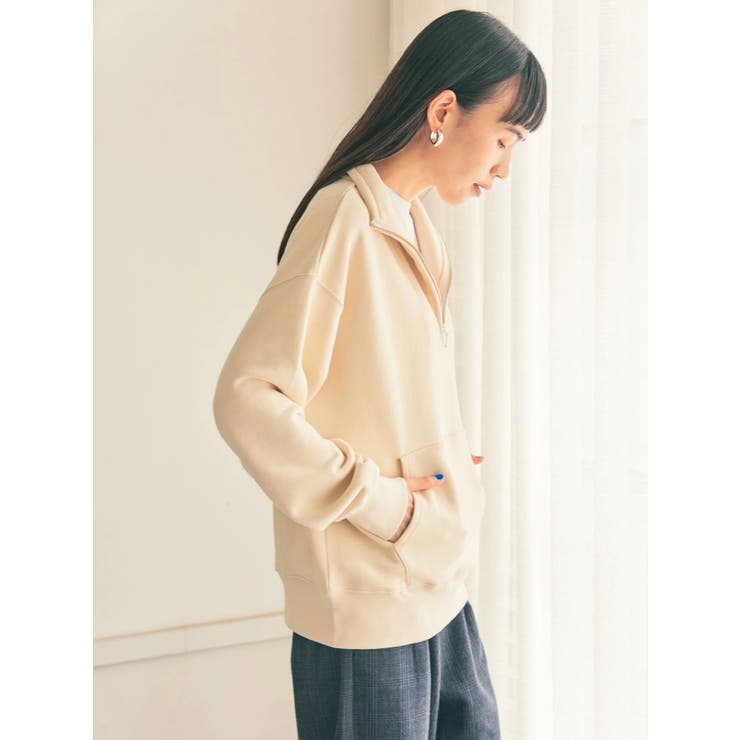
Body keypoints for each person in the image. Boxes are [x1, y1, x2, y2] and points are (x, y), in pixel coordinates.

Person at [212, 8, 546, 739]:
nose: (504, 169)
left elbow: (388, 393)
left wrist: (439, 461)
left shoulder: (418, 230)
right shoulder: (345, 220)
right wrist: (382, 500)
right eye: (504, 138)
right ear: (443, 112)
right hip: (369, 611)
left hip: (438, 591)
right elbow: (247, 399)